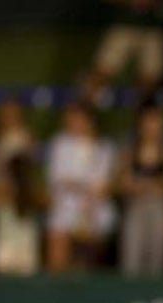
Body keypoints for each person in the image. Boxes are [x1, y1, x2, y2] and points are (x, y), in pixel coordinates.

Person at [45, 102, 116, 273]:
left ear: (88, 121)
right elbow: (59, 179)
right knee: (57, 259)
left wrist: (88, 193)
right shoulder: (60, 144)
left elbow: (104, 184)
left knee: (87, 265)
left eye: (75, 119)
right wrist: (85, 187)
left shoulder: (105, 148)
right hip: (64, 209)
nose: (71, 123)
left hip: (94, 212)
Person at [117, 102, 163, 276]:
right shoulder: (130, 150)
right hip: (135, 206)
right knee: (131, 259)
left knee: (157, 261)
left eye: (155, 121)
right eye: (147, 122)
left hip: (160, 206)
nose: (151, 127)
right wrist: (147, 186)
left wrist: (155, 185)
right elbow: (122, 182)